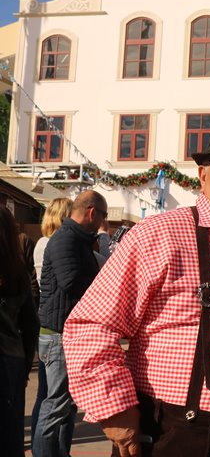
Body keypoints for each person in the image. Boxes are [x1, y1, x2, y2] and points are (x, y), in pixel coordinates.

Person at [63, 114, 210, 457]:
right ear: (203, 175)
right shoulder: (159, 234)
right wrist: (115, 409)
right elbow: (90, 326)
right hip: (172, 436)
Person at [35, 190, 107, 457]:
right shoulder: (67, 239)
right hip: (59, 335)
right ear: (91, 212)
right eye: (103, 215)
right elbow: (71, 283)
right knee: (55, 406)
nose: (103, 222)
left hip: (64, 332)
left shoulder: (76, 239)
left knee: (64, 406)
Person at [30, 196, 72, 455]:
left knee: (45, 399)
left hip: (45, 325)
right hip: (57, 328)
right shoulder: (55, 244)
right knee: (56, 403)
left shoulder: (41, 243)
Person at [0, 206, 40, 457]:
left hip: (10, 359)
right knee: (10, 434)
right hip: (10, 359)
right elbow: (30, 325)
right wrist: (24, 366)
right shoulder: (18, 273)